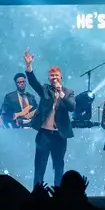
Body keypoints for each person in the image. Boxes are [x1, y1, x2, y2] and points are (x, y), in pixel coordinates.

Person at [23, 50, 75, 188]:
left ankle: (59, 192)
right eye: (51, 75)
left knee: (58, 166)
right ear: (48, 78)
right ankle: (37, 192)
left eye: (56, 75)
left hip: (60, 135)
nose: (54, 77)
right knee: (40, 165)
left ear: (61, 77)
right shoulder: (45, 90)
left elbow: (72, 107)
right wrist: (29, 66)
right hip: (44, 134)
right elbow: (33, 82)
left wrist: (61, 93)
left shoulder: (68, 92)